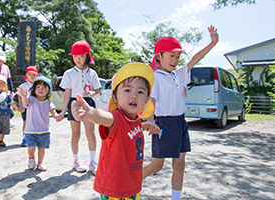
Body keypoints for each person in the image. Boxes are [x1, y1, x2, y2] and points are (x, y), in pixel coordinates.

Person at [143, 25, 219, 200]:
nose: (175, 59)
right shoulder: (155, 77)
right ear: (159, 56)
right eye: (171, 55)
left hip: (180, 122)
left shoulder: (178, 75)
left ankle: (175, 198)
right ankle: (128, 187)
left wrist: (212, 43)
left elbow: (194, 59)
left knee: (179, 165)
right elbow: (151, 102)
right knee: (156, 166)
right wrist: (150, 121)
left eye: (177, 56)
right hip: (163, 124)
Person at [71, 62, 161, 199]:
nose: (134, 95)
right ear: (115, 97)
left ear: (146, 100)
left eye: (140, 92)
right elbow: (106, 118)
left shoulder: (135, 120)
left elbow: (128, 132)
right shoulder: (116, 117)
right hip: (114, 188)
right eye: (127, 90)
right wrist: (91, 113)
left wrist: (144, 127)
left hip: (132, 184)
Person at [56, 40, 101, 174]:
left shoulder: (92, 73)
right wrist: (63, 111)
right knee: (76, 134)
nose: (78, 59)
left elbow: (97, 89)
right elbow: (67, 93)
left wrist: (92, 93)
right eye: (75, 56)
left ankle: (93, 162)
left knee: (91, 133)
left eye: (81, 56)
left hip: (88, 103)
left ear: (87, 56)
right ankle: (76, 161)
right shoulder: (68, 73)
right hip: (73, 103)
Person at [17, 76, 58, 171]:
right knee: (31, 148)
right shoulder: (31, 99)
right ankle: (31, 159)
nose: (41, 89)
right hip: (30, 131)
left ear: (49, 90)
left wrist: (58, 116)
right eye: (38, 87)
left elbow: (54, 113)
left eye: (44, 87)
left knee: (41, 149)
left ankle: (40, 163)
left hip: (44, 131)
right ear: (34, 89)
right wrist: (23, 96)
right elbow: (26, 102)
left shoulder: (48, 102)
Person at [17, 66, 39, 147]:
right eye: (30, 74)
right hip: (26, 107)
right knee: (26, 122)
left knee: (36, 122)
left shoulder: (39, 85)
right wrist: (21, 106)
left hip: (36, 108)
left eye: (34, 74)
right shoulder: (23, 85)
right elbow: (19, 96)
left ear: (37, 75)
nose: (32, 76)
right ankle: (25, 138)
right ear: (26, 75)